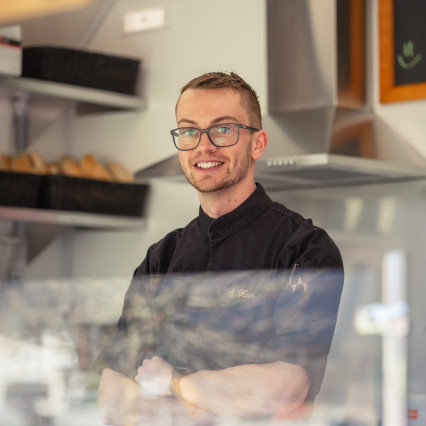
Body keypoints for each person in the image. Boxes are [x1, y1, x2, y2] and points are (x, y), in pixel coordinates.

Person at [95, 71, 344, 425]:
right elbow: (113, 396)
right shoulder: (161, 257)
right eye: (189, 131)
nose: (204, 146)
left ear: (257, 144)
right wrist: (216, 398)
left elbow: (280, 391)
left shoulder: (304, 249)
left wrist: (171, 383)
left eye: (223, 129)